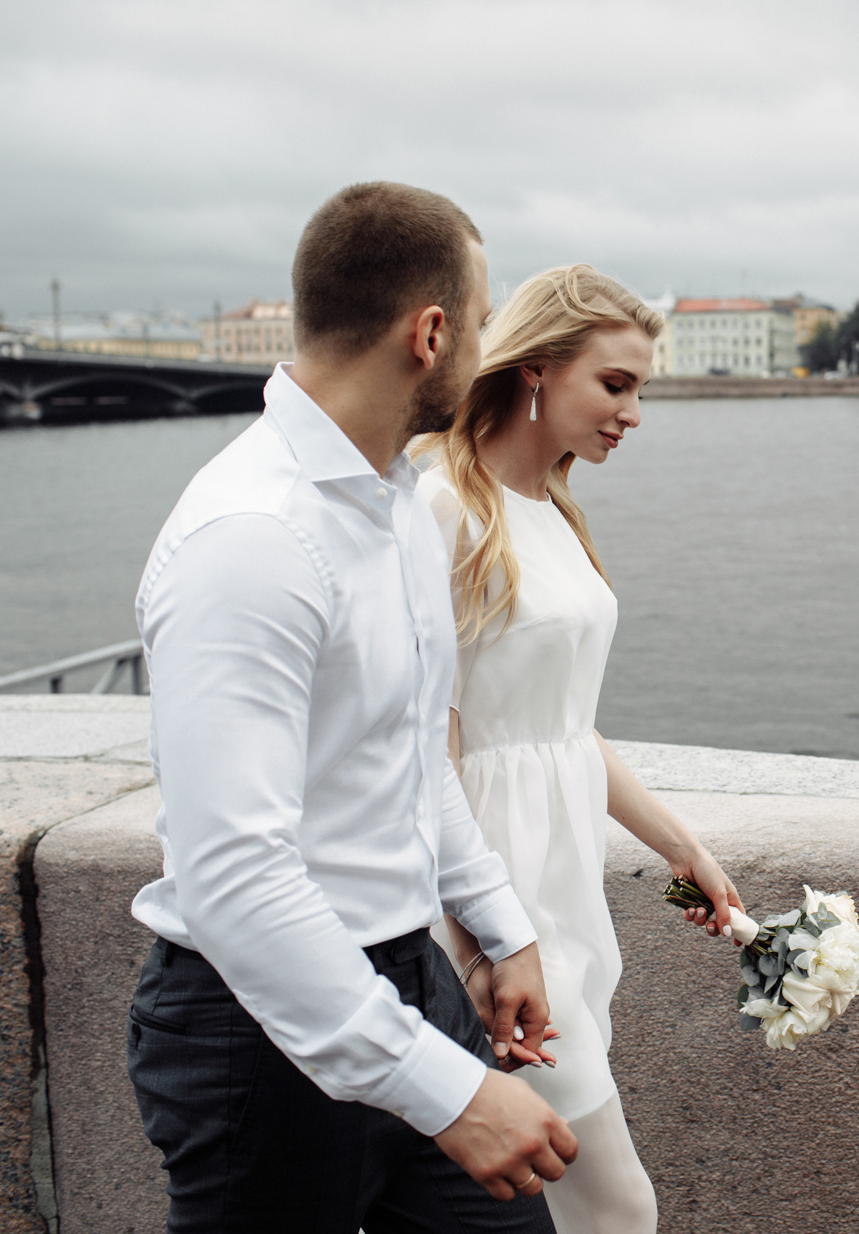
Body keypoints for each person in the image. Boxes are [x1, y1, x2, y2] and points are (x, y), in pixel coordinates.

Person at [126, 182, 576, 1233]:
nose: (485, 349)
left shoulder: (397, 503)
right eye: (481, 322)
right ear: (431, 333)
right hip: (256, 1031)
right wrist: (451, 1091)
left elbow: (409, 753)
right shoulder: (252, 536)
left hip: (408, 977)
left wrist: (498, 926)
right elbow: (234, 876)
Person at [416, 265, 743, 1234]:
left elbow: (560, 730)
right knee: (613, 1202)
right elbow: (432, 747)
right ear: (536, 368)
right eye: (615, 384)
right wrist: (476, 939)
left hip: (559, 892)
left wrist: (678, 844)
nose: (633, 413)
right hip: (496, 900)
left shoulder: (553, 510)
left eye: (639, 388)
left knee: (555, 1205)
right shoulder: (445, 508)